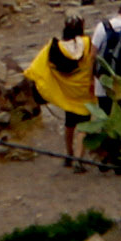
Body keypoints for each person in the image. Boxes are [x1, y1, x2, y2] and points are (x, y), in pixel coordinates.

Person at [23, 16, 97, 168]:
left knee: (69, 124)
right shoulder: (88, 43)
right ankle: (80, 160)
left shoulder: (54, 46)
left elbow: (35, 68)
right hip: (84, 91)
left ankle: (69, 154)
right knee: (84, 126)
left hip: (67, 93)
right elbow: (95, 61)